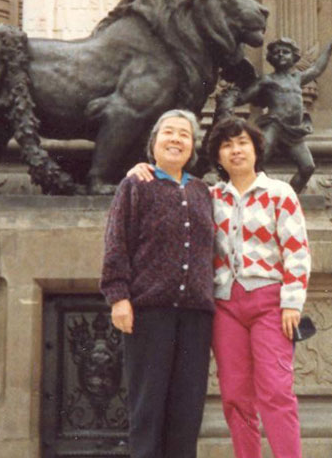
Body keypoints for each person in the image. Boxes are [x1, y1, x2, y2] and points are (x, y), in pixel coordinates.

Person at [128, 116, 311, 458]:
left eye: (242, 143)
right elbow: (173, 192)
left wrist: (292, 302)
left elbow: (297, 250)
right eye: (226, 145)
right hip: (226, 305)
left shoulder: (279, 194)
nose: (235, 150)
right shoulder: (209, 196)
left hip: (271, 303)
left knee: (275, 391)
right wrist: (139, 169)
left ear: (256, 149)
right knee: (235, 397)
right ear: (218, 156)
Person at [99, 109, 215, 458]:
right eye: (169, 132)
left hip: (196, 314)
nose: (176, 139)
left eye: (184, 134)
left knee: (187, 411)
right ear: (154, 143)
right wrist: (118, 296)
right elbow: (116, 241)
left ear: (192, 147)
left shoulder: (202, 192)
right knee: (147, 408)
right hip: (150, 311)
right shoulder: (136, 184)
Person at [217, 34, 332, 193]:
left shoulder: (297, 78)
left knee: (307, 167)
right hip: (274, 126)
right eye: (277, 52)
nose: (280, 55)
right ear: (270, 58)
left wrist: (330, 47)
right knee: (258, 161)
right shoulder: (267, 80)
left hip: (294, 131)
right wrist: (230, 98)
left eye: (285, 52)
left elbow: (317, 68)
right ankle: (261, 191)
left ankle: (288, 196)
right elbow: (245, 97)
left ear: (294, 57)